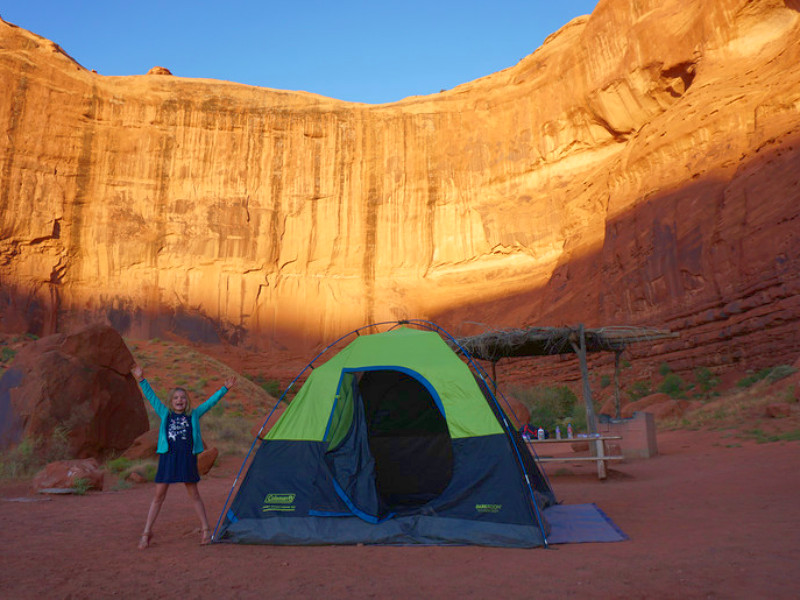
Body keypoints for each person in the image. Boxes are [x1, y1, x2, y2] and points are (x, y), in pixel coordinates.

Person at [131, 363, 236, 549]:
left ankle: (205, 530)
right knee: (158, 496)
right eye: (176, 398)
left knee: (194, 494)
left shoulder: (194, 415)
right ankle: (146, 532)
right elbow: (151, 397)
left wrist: (224, 389)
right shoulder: (165, 414)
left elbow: (210, 403)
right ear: (171, 401)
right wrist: (141, 379)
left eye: (183, 398)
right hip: (168, 458)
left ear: (186, 401)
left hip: (187, 458)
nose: (180, 400)